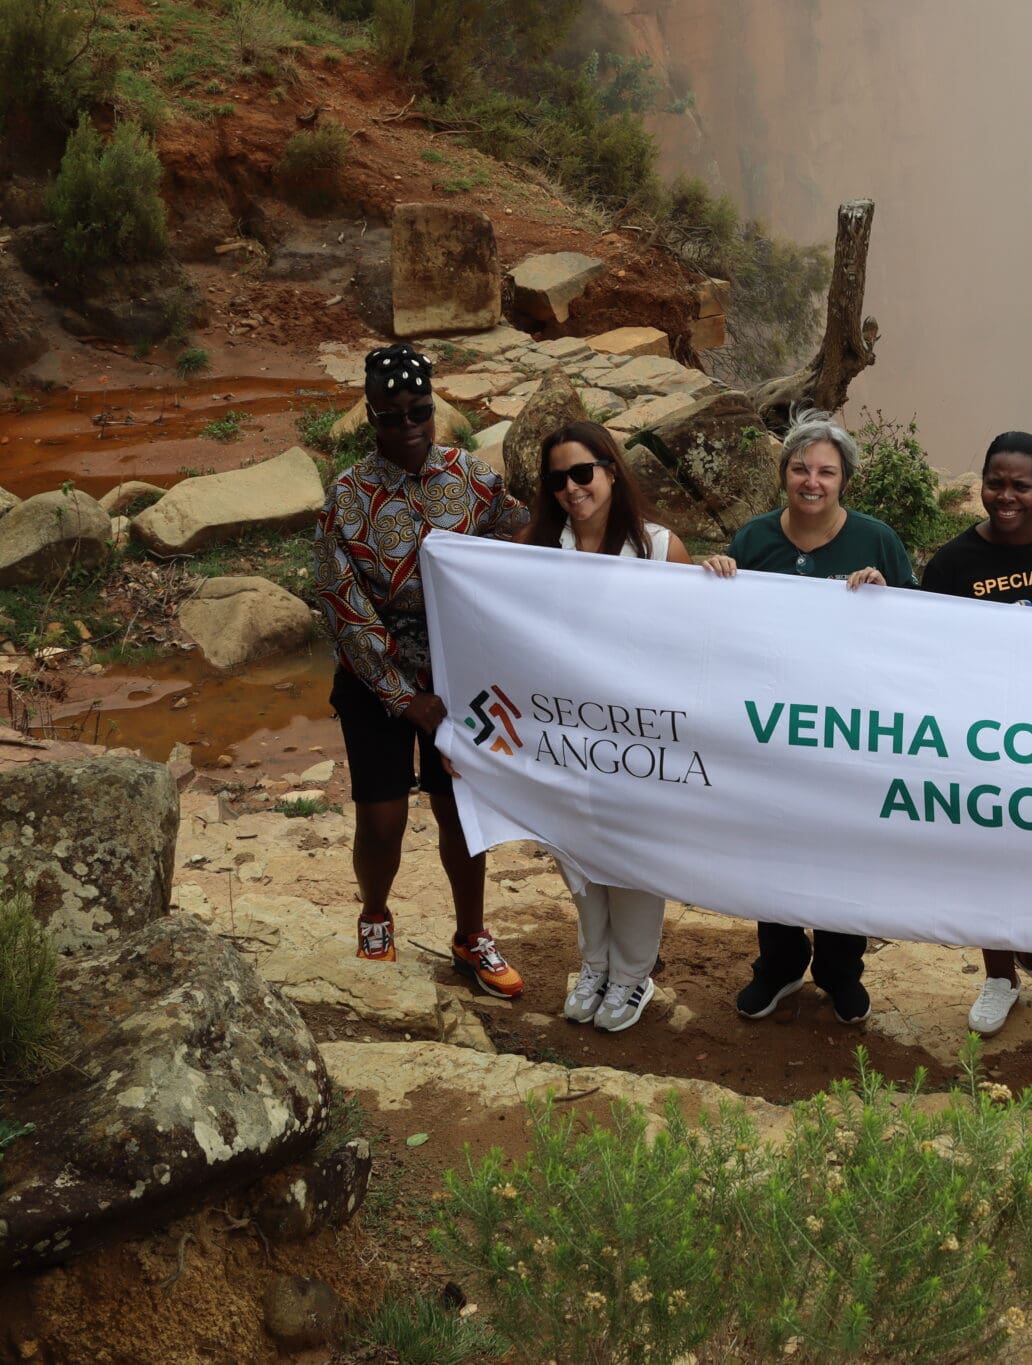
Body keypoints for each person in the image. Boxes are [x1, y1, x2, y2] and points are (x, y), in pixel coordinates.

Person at [314, 342, 529, 997]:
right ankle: (375, 911)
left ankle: (471, 936)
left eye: (420, 411)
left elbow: (525, 534)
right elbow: (342, 603)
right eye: (392, 414)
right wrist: (403, 697)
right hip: (374, 680)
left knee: (460, 812)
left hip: (459, 679)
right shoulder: (346, 498)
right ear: (371, 416)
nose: (408, 426)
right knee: (382, 819)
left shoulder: (471, 478)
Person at [701, 409, 916, 1026]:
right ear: (784, 474)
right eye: (800, 468)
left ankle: (840, 969)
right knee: (775, 843)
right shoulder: (755, 537)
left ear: (844, 478)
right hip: (772, 731)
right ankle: (779, 965)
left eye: (826, 470)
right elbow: (728, 627)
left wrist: (886, 595)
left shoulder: (877, 541)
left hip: (850, 732)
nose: (812, 481)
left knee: (844, 847)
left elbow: (918, 630)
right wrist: (715, 577)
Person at [920, 430, 1032, 1034]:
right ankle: (1000, 973)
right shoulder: (951, 563)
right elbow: (921, 644)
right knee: (987, 855)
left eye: (1020, 485)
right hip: (978, 734)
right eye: (994, 482)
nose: (1006, 495)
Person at [524, 421, 689, 1032]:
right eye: (558, 479)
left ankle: (632, 976)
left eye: (582, 473)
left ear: (612, 470)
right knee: (579, 853)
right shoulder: (538, 550)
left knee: (632, 854)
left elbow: (695, 642)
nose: (571, 488)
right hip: (567, 736)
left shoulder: (660, 549)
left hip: (639, 737)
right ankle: (593, 964)